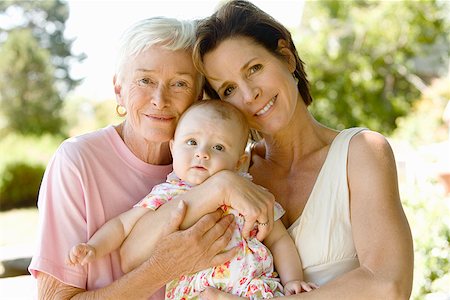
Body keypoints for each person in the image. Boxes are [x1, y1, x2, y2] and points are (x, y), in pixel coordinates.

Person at [28, 16, 274, 299]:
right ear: (119, 90)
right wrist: (162, 268)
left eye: (179, 84)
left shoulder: (214, 161)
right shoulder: (77, 161)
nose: (160, 99)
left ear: (198, 96)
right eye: (145, 80)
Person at [189, 0, 415, 299]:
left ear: (286, 57)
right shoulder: (230, 172)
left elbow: (388, 285)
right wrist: (222, 183)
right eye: (228, 89)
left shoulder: (360, 152)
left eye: (254, 68)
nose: (249, 93)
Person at [67, 100, 316, 299]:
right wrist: (94, 247)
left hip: (256, 291)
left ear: (240, 161)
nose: (202, 153)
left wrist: (293, 279)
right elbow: (122, 225)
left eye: (218, 147)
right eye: (192, 142)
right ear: (174, 147)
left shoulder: (250, 194)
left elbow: (280, 239)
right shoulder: (167, 194)